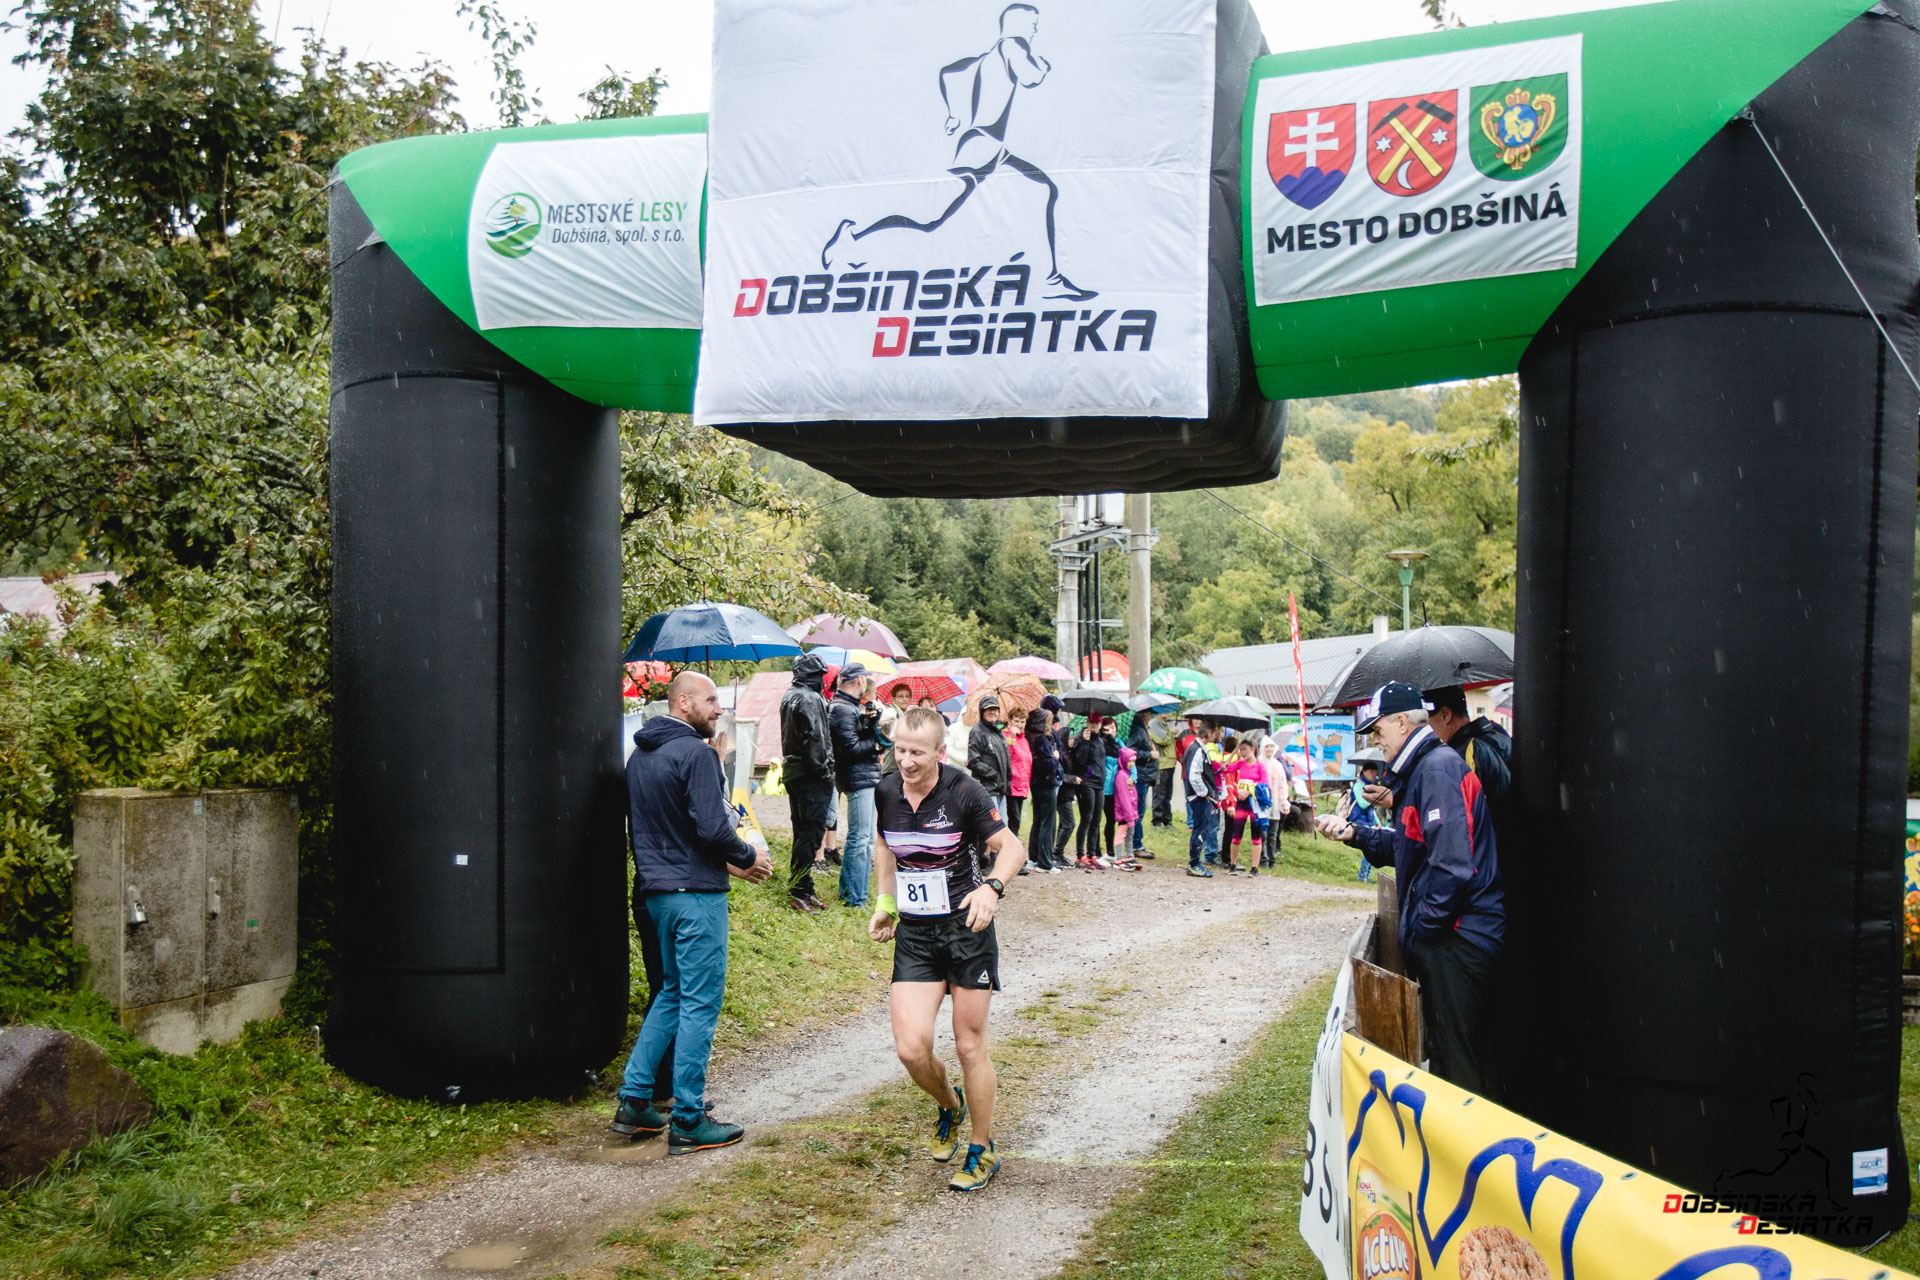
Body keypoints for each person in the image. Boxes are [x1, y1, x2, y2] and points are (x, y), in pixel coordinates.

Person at [819, 3, 1094, 303]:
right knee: (930, 218)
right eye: (1033, 24)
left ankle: (1050, 279)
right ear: (1017, 24)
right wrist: (1042, 65)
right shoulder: (1012, 46)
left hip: (988, 146)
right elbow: (1031, 77)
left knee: (1043, 188)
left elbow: (949, 72)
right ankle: (852, 237)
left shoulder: (984, 59)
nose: (1035, 30)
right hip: (983, 146)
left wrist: (955, 114)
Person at [868, 707, 1029, 1192]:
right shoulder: (886, 791)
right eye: (899, 749)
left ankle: (982, 1148)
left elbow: (1012, 848)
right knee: (911, 1049)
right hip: (916, 934)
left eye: (917, 753)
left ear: (940, 752)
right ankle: (949, 1105)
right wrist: (885, 903)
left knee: (968, 1044)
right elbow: (884, 844)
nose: (906, 761)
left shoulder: (965, 791)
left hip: (965, 929)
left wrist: (991, 889)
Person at [1316, 682, 1505, 1093]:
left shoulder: (1436, 769)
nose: (1374, 740)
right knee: (1452, 1058)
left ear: (1402, 722)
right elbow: (1410, 846)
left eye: (1377, 729)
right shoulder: (1425, 769)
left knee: (1458, 1068)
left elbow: (1452, 867)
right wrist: (1355, 833)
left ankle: (1465, 1135)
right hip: (1455, 938)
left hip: (1459, 940)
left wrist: (1423, 931)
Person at [613, 673, 774, 1153]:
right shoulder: (696, 755)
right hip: (697, 896)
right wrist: (747, 856)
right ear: (683, 703)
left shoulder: (640, 756)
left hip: (657, 894)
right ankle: (687, 1118)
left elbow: (666, 826)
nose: (718, 709)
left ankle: (634, 1100)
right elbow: (712, 828)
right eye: (711, 699)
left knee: (671, 995)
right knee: (700, 1003)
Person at [779, 653, 835, 913]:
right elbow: (816, 738)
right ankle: (799, 890)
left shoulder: (789, 695)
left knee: (801, 831)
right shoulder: (811, 698)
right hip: (811, 774)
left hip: (794, 771)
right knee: (811, 834)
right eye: (821, 675)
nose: (824, 680)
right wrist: (824, 771)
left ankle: (803, 885)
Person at [1424, 685, 1514, 842]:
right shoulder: (1499, 736)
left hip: (1489, 850)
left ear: (1445, 715)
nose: (1427, 728)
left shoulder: (1462, 754)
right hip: (1515, 846)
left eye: (1427, 720)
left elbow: (1459, 822)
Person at [829, 664, 884, 909]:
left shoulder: (849, 706)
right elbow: (850, 749)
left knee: (866, 838)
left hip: (863, 776)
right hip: (857, 778)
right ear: (860, 679)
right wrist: (877, 741)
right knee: (860, 839)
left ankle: (853, 893)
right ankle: (854, 898)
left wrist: (871, 724)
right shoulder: (842, 708)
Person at [1340, 747, 1391, 883]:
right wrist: (1378, 799)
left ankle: (1365, 876)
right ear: (1364, 771)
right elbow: (1363, 804)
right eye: (1371, 771)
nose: (1374, 774)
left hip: (1368, 821)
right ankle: (1362, 876)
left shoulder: (1370, 785)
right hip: (1359, 820)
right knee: (1369, 849)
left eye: (1375, 771)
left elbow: (1370, 809)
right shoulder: (1359, 785)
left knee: (1372, 848)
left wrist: (1377, 822)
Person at [1181, 720, 1223, 877]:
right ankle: (1194, 863)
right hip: (1198, 797)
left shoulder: (1198, 749)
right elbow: (1193, 775)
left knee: (1202, 828)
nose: (1217, 735)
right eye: (1215, 732)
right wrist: (1204, 792)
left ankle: (1195, 862)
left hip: (1199, 796)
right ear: (1209, 733)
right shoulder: (1197, 750)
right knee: (1201, 829)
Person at [1219, 735, 1263, 874]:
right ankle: (1232, 864)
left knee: (1256, 836)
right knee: (1236, 834)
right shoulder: (1240, 764)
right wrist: (1234, 752)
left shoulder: (1260, 766)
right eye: (1241, 749)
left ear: (1252, 749)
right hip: (1241, 803)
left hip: (1255, 803)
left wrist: (1249, 792)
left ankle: (1254, 867)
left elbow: (1265, 784)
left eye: (1245, 749)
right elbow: (1225, 768)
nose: (1242, 752)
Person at [1025, 708, 1063, 873]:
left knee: (1038, 821)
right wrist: (1055, 757)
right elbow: (1048, 763)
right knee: (1047, 822)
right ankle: (1045, 862)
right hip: (1046, 783)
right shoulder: (1041, 740)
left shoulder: (1030, 737)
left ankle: (1034, 858)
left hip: (1036, 783)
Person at [1068, 715, 1107, 868]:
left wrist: (1110, 737)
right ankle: (1080, 855)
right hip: (1086, 782)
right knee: (1086, 818)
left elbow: (1111, 754)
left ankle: (1092, 854)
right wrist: (1085, 742)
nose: (1094, 725)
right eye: (1091, 722)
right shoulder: (1081, 738)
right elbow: (1079, 760)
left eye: (1097, 723)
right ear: (1087, 722)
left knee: (1096, 820)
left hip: (1099, 783)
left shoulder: (1100, 740)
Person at [968, 695, 1013, 822]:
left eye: (995, 709)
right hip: (987, 788)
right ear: (982, 712)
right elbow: (973, 761)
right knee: (993, 825)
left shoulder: (999, 731)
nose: (992, 712)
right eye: (988, 709)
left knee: (1003, 825)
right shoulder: (977, 731)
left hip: (1001, 788)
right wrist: (993, 774)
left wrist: (1005, 781)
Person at [1125, 711, 1159, 857]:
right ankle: (1136, 845)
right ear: (1143, 714)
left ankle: (1135, 843)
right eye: (1150, 713)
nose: (1152, 716)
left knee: (1139, 810)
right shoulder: (1137, 729)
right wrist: (1149, 755)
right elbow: (1131, 751)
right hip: (1139, 775)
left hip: (1145, 775)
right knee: (1137, 811)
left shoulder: (1143, 729)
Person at [1257, 738, 1292, 868]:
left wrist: (1284, 801)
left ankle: (1272, 860)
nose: (1269, 749)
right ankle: (1263, 859)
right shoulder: (1258, 763)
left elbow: (1282, 784)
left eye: (1271, 747)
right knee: (1262, 833)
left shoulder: (1277, 765)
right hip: (1261, 803)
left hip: (1275, 804)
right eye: (1267, 747)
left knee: (1272, 834)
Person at [1005, 709, 1033, 865]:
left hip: (1022, 787)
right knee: (1012, 822)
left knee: (1016, 822)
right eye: (1016, 721)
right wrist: (1011, 737)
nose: (1020, 724)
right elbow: (1006, 757)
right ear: (1010, 721)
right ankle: (1011, 857)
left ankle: (1013, 856)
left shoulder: (1024, 740)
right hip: (1011, 786)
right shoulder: (1007, 736)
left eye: (1022, 722)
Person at [1111, 746, 1144, 871]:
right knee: (1121, 834)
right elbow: (1124, 798)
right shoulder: (1121, 776)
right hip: (1124, 814)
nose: (1131, 764)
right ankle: (1118, 858)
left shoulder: (1128, 775)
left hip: (1131, 813)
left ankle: (1130, 856)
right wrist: (1129, 816)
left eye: (1133, 761)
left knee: (1130, 835)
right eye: (1129, 761)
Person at [1098, 717, 1122, 865]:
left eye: (1113, 728)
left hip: (1114, 789)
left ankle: (1110, 851)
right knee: (1095, 820)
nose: (1111, 731)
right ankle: (1095, 851)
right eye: (1107, 728)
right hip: (1101, 786)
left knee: (1111, 820)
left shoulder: (1119, 743)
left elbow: (1125, 758)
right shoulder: (1099, 742)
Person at [880, 681, 915, 775]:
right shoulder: (891, 712)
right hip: (892, 762)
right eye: (900, 696)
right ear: (893, 699)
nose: (904, 699)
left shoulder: (906, 714)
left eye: (907, 696)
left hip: (902, 762)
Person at [1150, 712, 1177, 827]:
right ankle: (1156, 821)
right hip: (1162, 763)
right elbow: (1162, 740)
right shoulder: (1154, 723)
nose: (1166, 712)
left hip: (1170, 763)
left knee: (1167, 794)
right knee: (1159, 793)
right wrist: (1172, 732)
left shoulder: (1164, 724)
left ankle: (1167, 820)